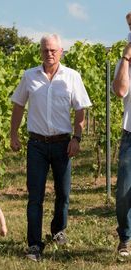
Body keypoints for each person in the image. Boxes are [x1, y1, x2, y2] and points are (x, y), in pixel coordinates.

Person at [10, 34, 92, 261]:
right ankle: (34, 244)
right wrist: (13, 134)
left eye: (53, 50)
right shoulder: (29, 76)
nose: (49, 54)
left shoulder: (72, 77)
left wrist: (77, 138)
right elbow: (18, 105)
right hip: (36, 144)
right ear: (40, 52)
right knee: (35, 196)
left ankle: (58, 230)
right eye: (45, 50)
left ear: (61, 51)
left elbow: (80, 110)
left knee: (63, 193)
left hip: (62, 143)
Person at [113, 34, 131, 256]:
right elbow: (120, 91)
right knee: (124, 193)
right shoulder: (125, 64)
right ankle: (125, 238)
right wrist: (126, 59)